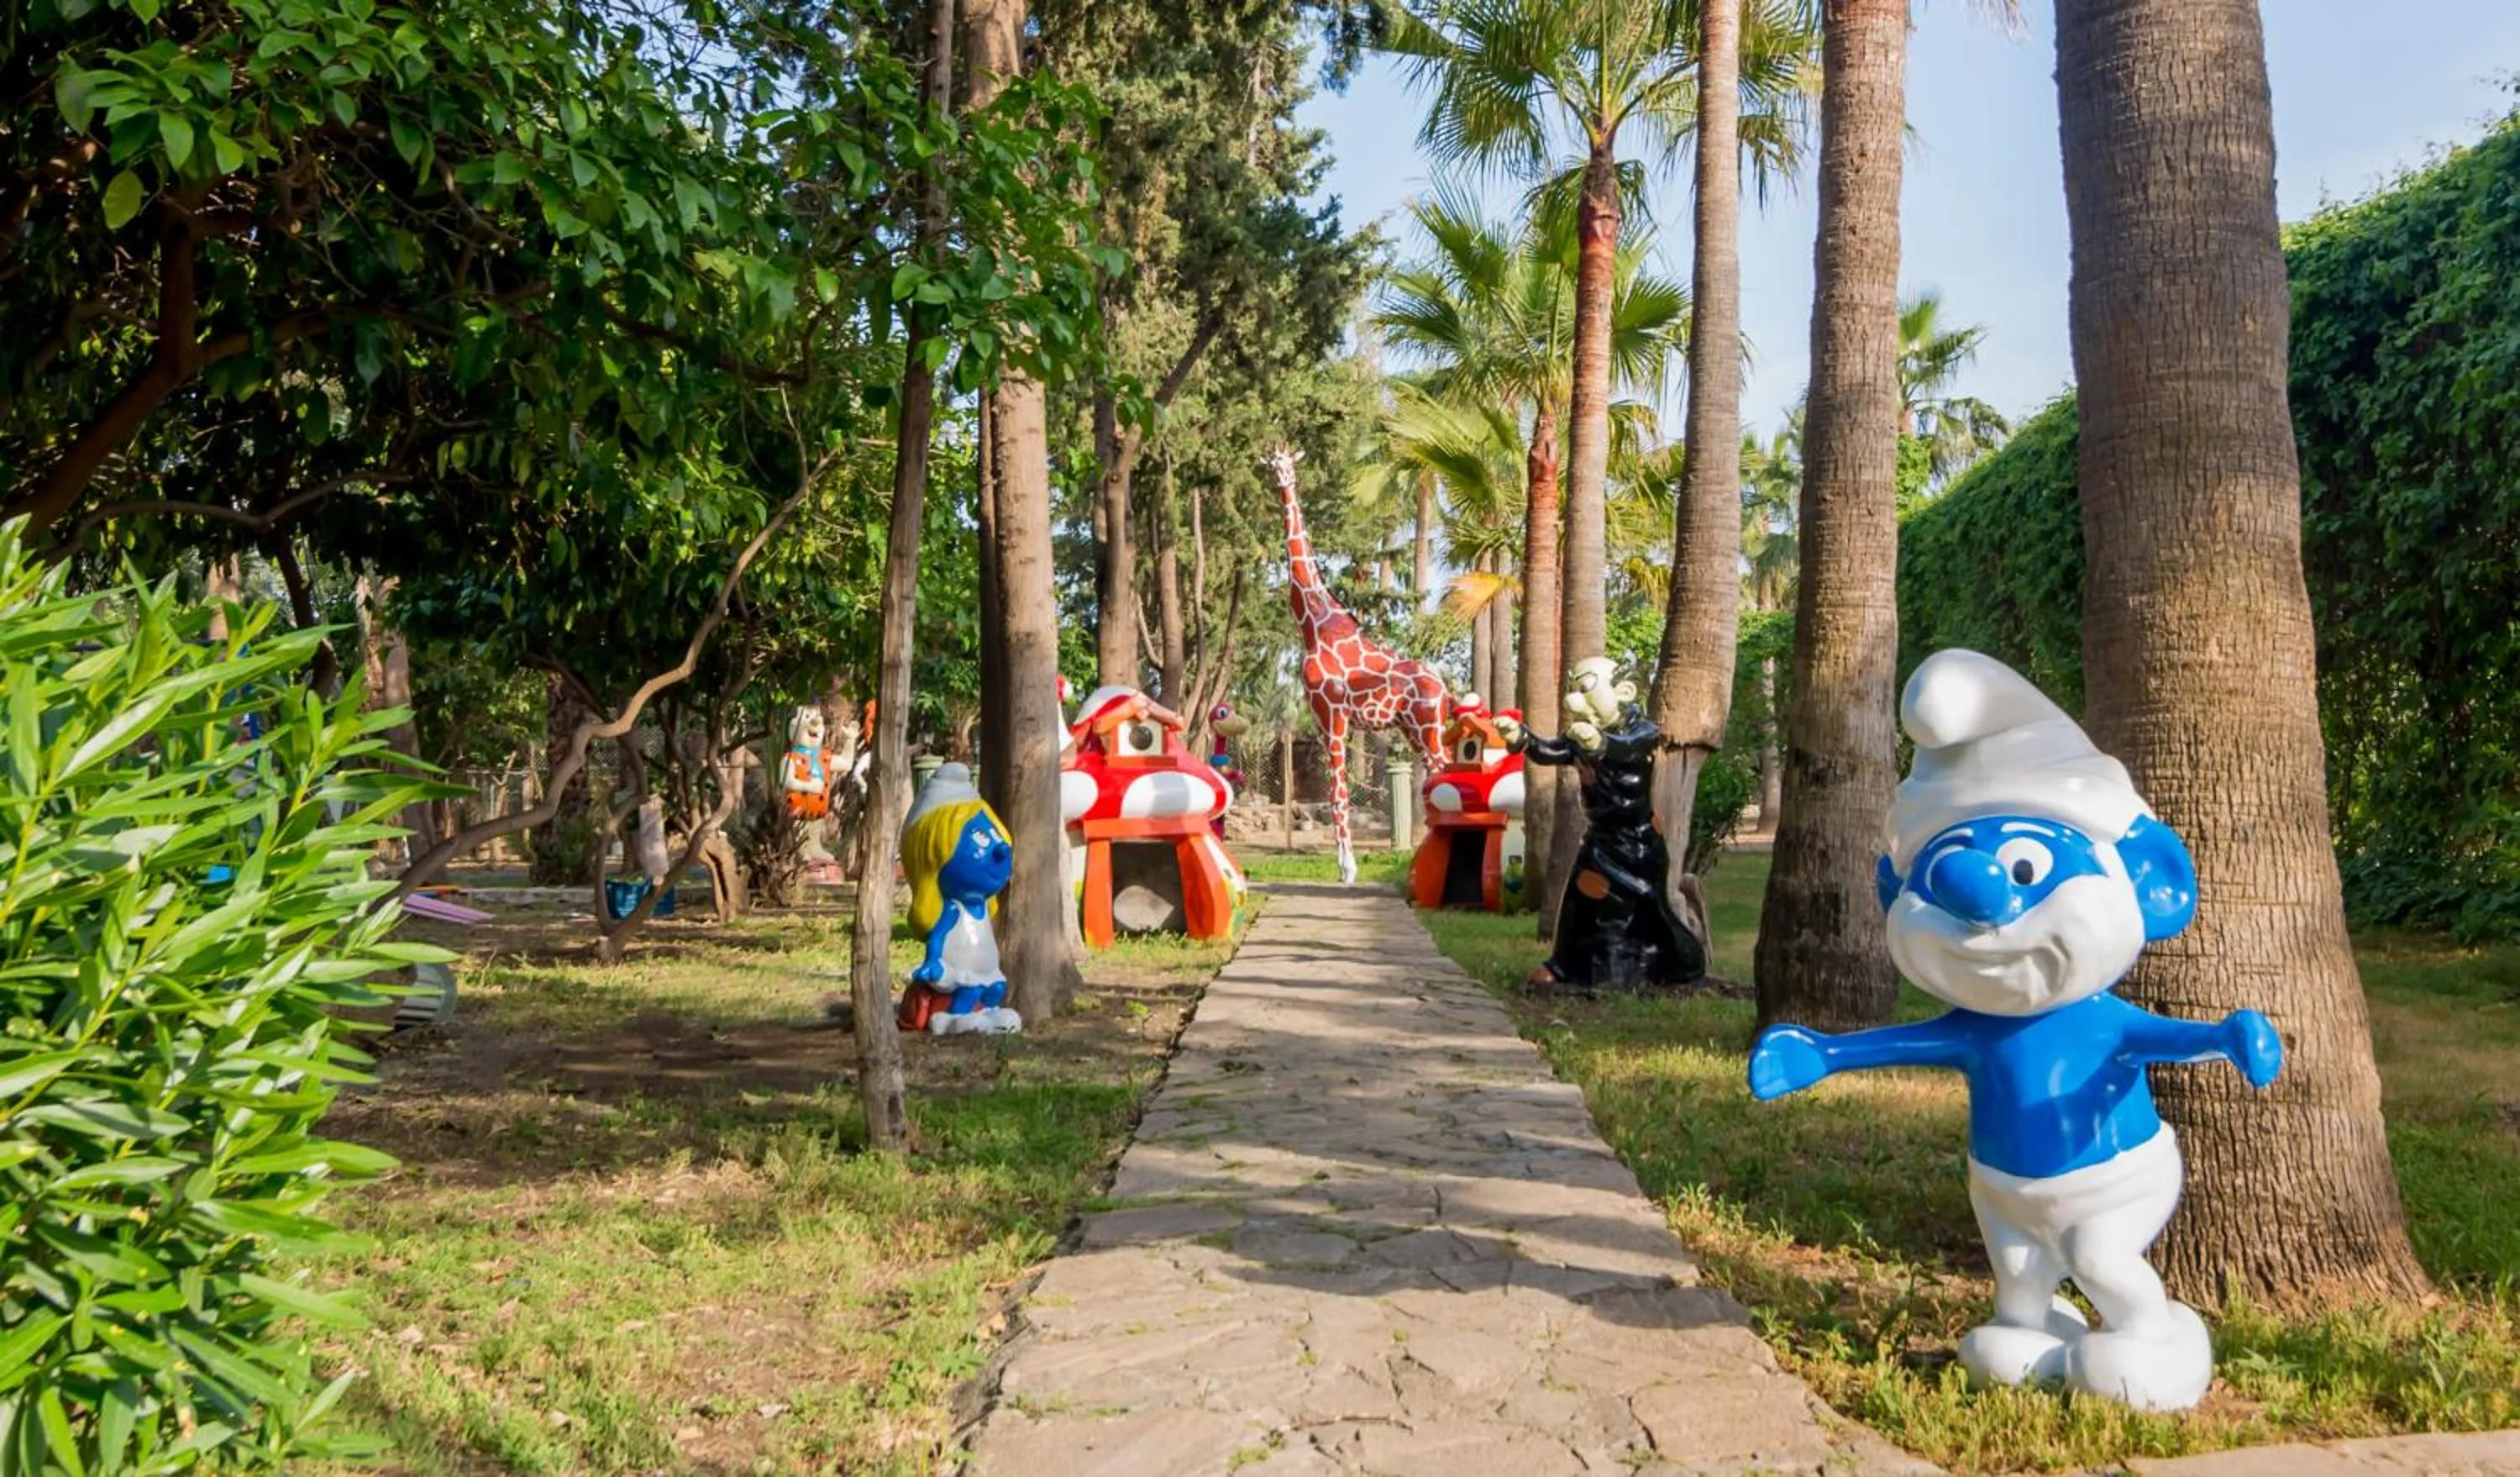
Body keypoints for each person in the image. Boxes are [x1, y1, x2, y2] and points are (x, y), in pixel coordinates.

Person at [1496, 656, 1704, 991]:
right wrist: (1522, 738)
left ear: (1623, 691)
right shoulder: (1579, 735)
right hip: (1600, 839)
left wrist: (1599, 743)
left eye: (1585, 688)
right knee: (1578, 905)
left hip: (1636, 843)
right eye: (1573, 689)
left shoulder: (1643, 732)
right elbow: (1550, 751)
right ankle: (1565, 966)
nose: (1573, 699)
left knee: (1621, 908)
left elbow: (1625, 749)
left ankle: (1620, 973)